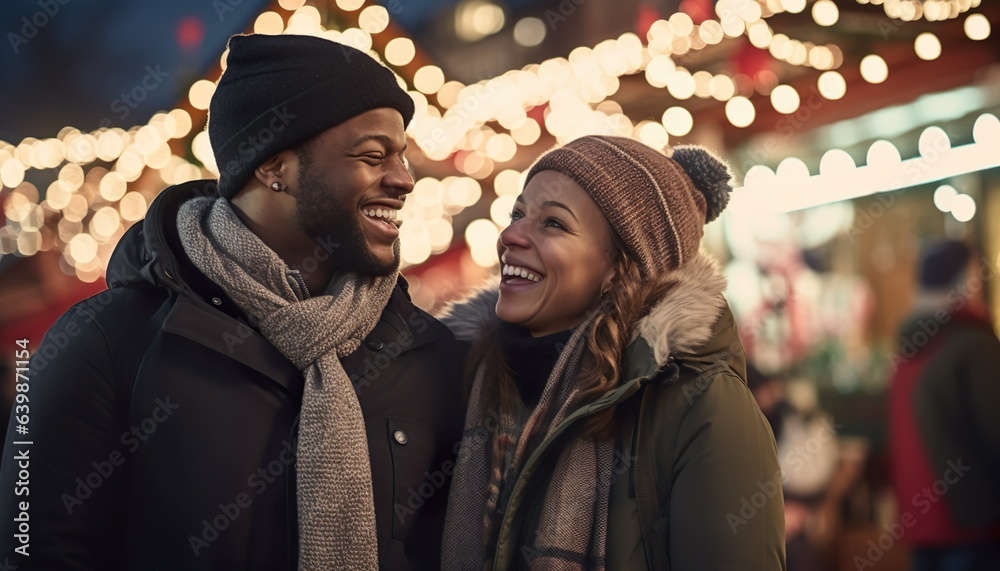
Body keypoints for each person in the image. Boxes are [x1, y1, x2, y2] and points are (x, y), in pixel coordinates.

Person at [0, 34, 465, 570]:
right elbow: (34, 553)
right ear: (275, 167)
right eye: (373, 155)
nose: (404, 178)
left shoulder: (429, 354)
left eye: (402, 155)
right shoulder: (106, 343)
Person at [440, 136, 785, 570]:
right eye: (518, 213)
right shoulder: (466, 377)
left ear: (620, 269)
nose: (510, 235)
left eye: (553, 224)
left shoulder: (704, 407)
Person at [888, 239, 1000, 571]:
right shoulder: (973, 343)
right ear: (967, 279)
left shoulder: (907, 348)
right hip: (974, 525)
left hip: (922, 527)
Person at [748, 364, 838, 571]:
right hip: (776, 503)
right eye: (766, 390)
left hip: (802, 502)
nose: (771, 394)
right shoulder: (764, 421)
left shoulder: (785, 416)